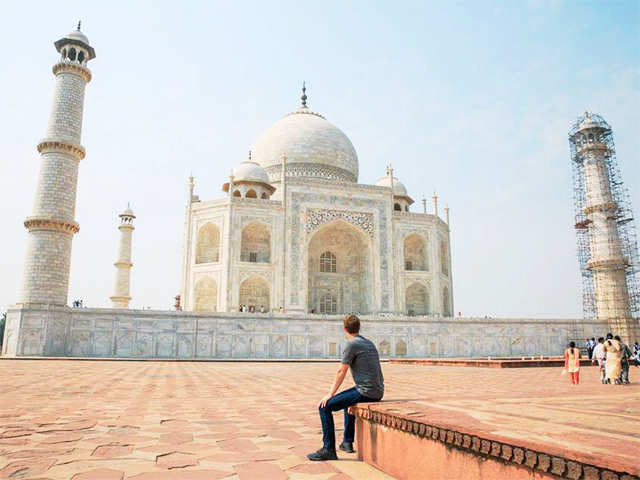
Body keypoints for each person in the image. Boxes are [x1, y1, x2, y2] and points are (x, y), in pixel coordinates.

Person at [308, 314, 384, 461]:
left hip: (366, 391)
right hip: (378, 390)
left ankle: (328, 449)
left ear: (344, 329)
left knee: (324, 407)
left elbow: (341, 371)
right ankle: (347, 442)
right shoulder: (368, 343)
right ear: (359, 327)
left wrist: (329, 394)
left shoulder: (352, 344)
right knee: (347, 402)